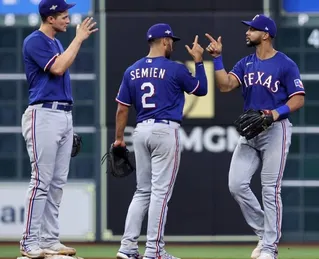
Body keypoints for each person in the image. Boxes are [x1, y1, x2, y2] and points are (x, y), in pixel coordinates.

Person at [204, 14, 305, 259]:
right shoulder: (245, 63)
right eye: (248, 29)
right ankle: (265, 233)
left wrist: (275, 113)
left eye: (252, 29)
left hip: (276, 130)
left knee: (270, 189)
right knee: (236, 184)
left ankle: (270, 247)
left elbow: (299, 98)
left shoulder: (285, 63)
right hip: (251, 131)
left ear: (266, 34)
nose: (247, 32)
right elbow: (225, 85)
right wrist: (217, 59)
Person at [114, 23, 208, 259]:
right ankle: (154, 250)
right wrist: (198, 61)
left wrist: (118, 139)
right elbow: (201, 90)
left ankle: (127, 247)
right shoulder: (175, 69)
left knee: (142, 191)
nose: (172, 46)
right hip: (165, 131)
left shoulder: (132, 70)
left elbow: (122, 109)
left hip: (141, 131)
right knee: (160, 194)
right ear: (165, 41)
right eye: (171, 42)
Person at [19, 0, 98, 258]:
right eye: (63, 15)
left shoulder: (56, 42)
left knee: (56, 183)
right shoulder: (35, 40)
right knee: (41, 181)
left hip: (63, 113)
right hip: (42, 113)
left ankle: (49, 239)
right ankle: (29, 241)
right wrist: (79, 39)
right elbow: (58, 67)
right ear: (50, 18)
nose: (67, 19)